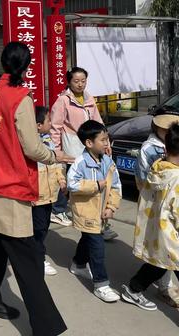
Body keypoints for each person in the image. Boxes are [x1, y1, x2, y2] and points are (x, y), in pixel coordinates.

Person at [0, 42, 69, 336]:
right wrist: (55, 156)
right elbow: (32, 146)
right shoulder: (20, 97)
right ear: (26, 66)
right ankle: (47, 327)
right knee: (27, 259)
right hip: (8, 185)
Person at [121, 122, 179, 311]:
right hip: (172, 235)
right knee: (160, 264)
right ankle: (133, 288)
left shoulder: (158, 167)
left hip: (159, 232)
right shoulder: (177, 178)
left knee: (159, 265)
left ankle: (133, 288)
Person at [67, 120, 122, 303]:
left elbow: (115, 186)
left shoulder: (108, 162)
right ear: (89, 143)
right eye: (103, 140)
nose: (107, 143)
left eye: (107, 139)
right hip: (86, 212)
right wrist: (95, 185)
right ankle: (101, 284)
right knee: (97, 247)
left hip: (101, 212)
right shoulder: (80, 162)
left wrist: (111, 206)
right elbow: (72, 184)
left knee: (89, 238)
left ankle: (78, 263)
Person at [50, 67, 107, 233]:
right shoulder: (63, 100)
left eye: (83, 81)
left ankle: (89, 214)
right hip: (72, 146)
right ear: (69, 81)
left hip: (90, 146)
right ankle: (58, 210)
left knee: (88, 178)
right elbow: (56, 127)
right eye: (76, 81)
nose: (80, 84)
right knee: (69, 176)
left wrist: (105, 141)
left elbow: (98, 121)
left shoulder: (89, 99)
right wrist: (57, 150)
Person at [32, 106, 67, 277]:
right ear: (38, 125)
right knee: (38, 229)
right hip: (36, 195)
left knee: (43, 226)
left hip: (49, 194)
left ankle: (35, 254)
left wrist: (61, 179)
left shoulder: (48, 140)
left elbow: (55, 163)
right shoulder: (31, 145)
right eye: (48, 120)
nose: (51, 123)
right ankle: (38, 259)